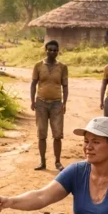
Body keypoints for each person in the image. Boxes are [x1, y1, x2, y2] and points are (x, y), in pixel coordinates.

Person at [31, 41, 68, 172]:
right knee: (42, 134)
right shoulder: (38, 66)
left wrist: (64, 103)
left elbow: (65, 86)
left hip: (57, 103)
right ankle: (42, 161)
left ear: (58, 51)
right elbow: (33, 83)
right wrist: (32, 101)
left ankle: (58, 162)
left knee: (57, 135)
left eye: (55, 50)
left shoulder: (62, 67)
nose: (52, 52)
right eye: (50, 50)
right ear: (45, 50)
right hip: (41, 103)